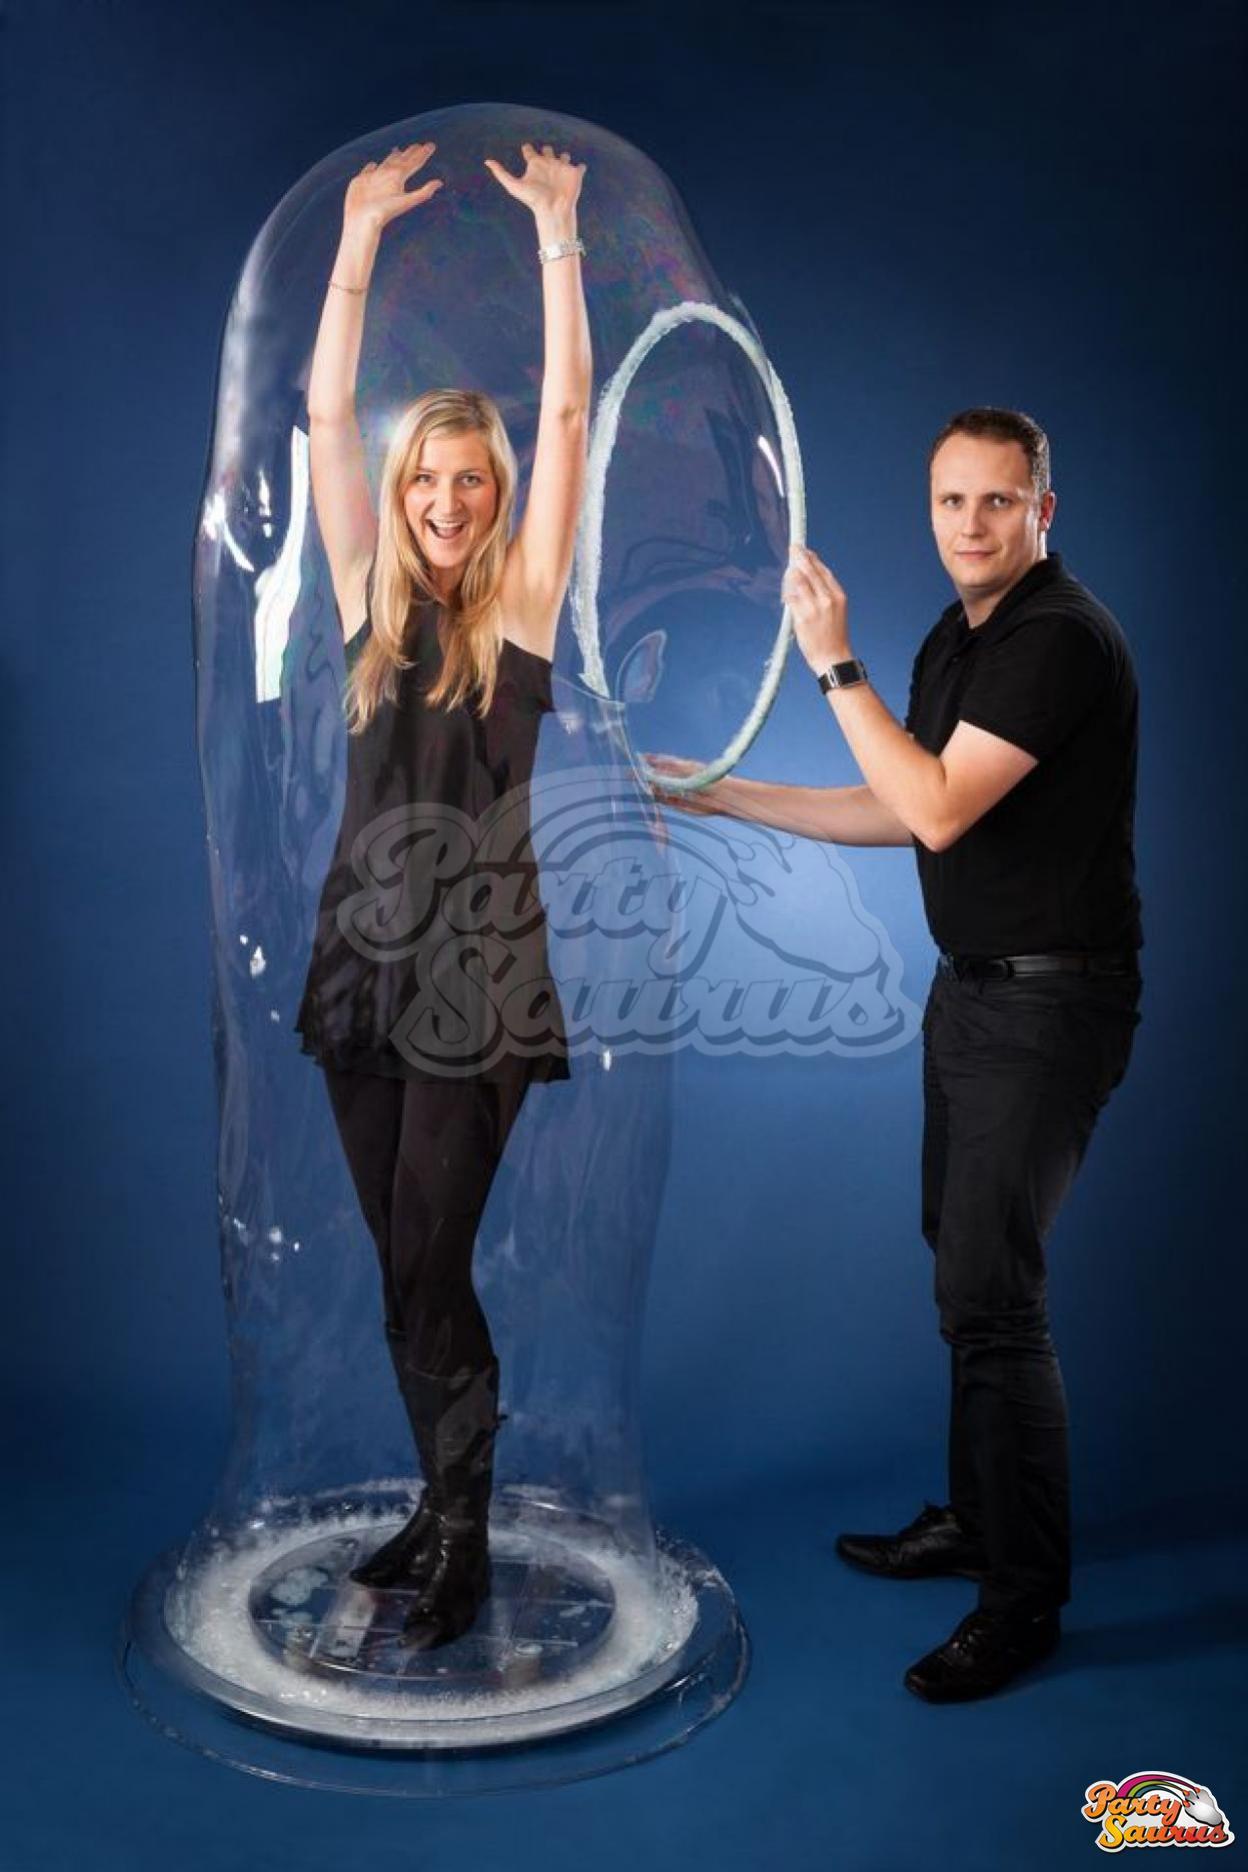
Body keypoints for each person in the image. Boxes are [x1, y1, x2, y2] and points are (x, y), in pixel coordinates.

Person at [652, 408, 1142, 1701]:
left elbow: (935, 804)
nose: (970, 526)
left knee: (993, 1294)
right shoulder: (958, 637)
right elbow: (899, 807)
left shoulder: (1058, 638)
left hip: (1054, 1003)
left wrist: (832, 663)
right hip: (973, 993)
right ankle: (980, 1521)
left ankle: (1022, 1599)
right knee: (961, 1265)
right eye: (949, 501)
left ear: (1044, 510)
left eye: (997, 501)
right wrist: (717, 792)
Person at [293, 139, 590, 1650]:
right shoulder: (367, 603)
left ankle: (466, 1533)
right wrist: (353, 243)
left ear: (497, 493)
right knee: (395, 1267)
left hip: (478, 971)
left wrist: (559, 236)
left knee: (432, 1252)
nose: (447, 500)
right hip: (364, 961)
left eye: (472, 480)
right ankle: (438, 1498)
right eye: (428, 477)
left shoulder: (521, 613)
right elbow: (322, 417)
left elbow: (570, 412)